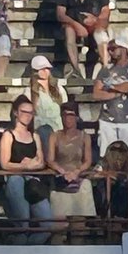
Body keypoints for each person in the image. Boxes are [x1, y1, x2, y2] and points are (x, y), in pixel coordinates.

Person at [0, 95, 52, 243]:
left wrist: (34, 165)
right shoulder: (8, 135)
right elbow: (4, 163)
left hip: (33, 181)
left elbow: (41, 161)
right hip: (15, 179)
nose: (28, 116)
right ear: (16, 112)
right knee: (22, 225)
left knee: (48, 227)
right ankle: (19, 244)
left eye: (31, 113)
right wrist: (25, 165)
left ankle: (30, 247)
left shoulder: (34, 136)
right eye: (24, 112)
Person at [46, 101, 95, 240]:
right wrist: (62, 171)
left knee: (79, 227)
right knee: (58, 227)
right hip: (60, 178)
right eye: (65, 115)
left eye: (71, 115)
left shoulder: (85, 136)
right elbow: (50, 159)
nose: (68, 118)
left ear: (77, 117)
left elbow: (88, 161)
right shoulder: (54, 136)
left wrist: (76, 172)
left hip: (78, 178)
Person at [56, 0, 110, 78]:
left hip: (93, 21)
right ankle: (75, 69)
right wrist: (75, 24)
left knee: (100, 32)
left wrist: (96, 20)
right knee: (69, 31)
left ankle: (105, 67)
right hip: (72, 21)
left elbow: (105, 11)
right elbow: (60, 13)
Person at [91, 28, 128, 158]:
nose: (110, 51)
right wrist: (115, 94)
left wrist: (110, 86)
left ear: (123, 48)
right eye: (109, 49)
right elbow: (96, 94)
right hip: (107, 120)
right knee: (106, 156)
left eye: (114, 48)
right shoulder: (105, 70)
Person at [22, 54, 68, 149]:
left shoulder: (59, 89)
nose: (45, 71)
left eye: (47, 68)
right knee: (45, 131)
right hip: (40, 130)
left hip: (58, 129)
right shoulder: (29, 91)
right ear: (35, 71)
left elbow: (65, 108)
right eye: (41, 69)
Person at [93, 139, 128, 222]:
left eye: (121, 151)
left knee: (122, 188)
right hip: (105, 188)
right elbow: (95, 174)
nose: (118, 154)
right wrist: (107, 175)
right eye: (114, 151)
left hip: (123, 189)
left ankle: (121, 215)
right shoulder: (103, 162)